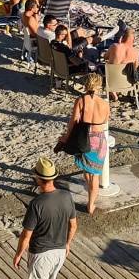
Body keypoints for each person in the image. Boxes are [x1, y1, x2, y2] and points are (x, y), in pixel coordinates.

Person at [13, 157, 77, 279]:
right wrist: (67, 244)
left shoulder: (37, 204)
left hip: (41, 255)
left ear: (38, 179)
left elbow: (26, 235)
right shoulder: (66, 196)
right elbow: (73, 226)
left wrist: (18, 254)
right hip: (60, 252)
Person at [57, 73, 110, 214]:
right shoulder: (105, 104)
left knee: (88, 171)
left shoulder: (80, 100)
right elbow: (105, 120)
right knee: (95, 174)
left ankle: (89, 196)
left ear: (86, 85)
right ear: (99, 86)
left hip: (84, 138)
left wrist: (66, 137)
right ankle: (91, 204)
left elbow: (73, 122)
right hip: (99, 140)